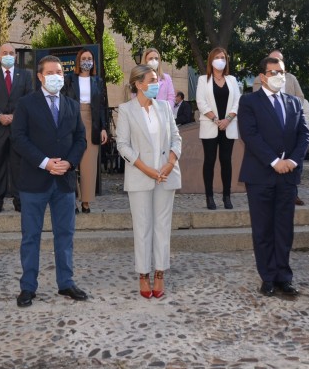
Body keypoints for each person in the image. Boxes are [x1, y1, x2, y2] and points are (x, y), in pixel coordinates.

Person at [11, 55, 88, 307]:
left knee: (65, 234)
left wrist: (69, 163)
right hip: (34, 180)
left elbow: (80, 140)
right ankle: (28, 287)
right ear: (41, 76)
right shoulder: (25, 104)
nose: (57, 76)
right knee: (30, 236)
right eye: (51, 72)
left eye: (60, 72)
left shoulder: (72, 105)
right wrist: (45, 162)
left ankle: (65, 283)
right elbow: (19, 138)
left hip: (64, 182)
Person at [238, 57, 309, 297]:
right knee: (263, 229)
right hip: (260, 175)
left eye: (281, 72)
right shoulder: (249, 101)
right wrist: (274, 161)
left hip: (287, 176)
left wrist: (292, 161)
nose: (278, 76)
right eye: (272, 72)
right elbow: (250, 135)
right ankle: (267, 277)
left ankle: (284, 277)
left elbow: (304, 135)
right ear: (262, 76)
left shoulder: (294, 102)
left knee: (284, 229)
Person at [116, 65, 182, 299]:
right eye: (153, 80)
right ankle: (143, 274)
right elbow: (122, 144)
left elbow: (176, 137)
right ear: (139, 84)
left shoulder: (165, 107)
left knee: (162, 226)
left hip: (166, 175)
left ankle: (160, 273)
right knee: (142, 227)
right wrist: (147, 170)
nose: (157, 84)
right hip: (140, 176)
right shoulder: (126, 110)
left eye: (158, 80)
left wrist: (169, 164)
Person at [0, 43, 34, 213]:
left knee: (18, 166)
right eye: (4, 53)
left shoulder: (25, 75)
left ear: (16, 56)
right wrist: (0, 116)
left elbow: (29, 99)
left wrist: (14, 116)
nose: (8, 55)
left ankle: (19, 201)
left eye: (11, 53)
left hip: (18, 129)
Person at [253, 50, 308, 206]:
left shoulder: (291, 79)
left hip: (289, 126)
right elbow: (256, 101)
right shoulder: (259, 80)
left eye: (280, 64)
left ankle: (293, 193)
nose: (278, 73)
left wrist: (293, 110)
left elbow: (301, 97)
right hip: (268, 129)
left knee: (293, 164)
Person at [61, 48, 108, 214]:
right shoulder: (69, 79)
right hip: (72, 120)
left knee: (88, 164)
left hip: (92, 121)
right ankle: (71, 201)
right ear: (78, 60)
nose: (87, 61)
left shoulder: (98, 81)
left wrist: (103, 128)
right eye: (84, 58)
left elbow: (102, 106)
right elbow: (63, 101)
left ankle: (86, 201)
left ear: (93, 62)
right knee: (72, 162)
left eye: (90, 58)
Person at [196, 47, 241, 210]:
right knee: (209, 160)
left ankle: (226, 197)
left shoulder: (232, 80)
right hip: (210, 125)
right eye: (217, 57)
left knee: (226, 161)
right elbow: (201, 102)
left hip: (228, 126)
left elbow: (237, 101)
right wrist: (216, 120)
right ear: (211, 60)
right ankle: (209, 197)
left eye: (223, 57)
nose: (220, 60)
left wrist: (228, 119)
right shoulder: (203, 80)